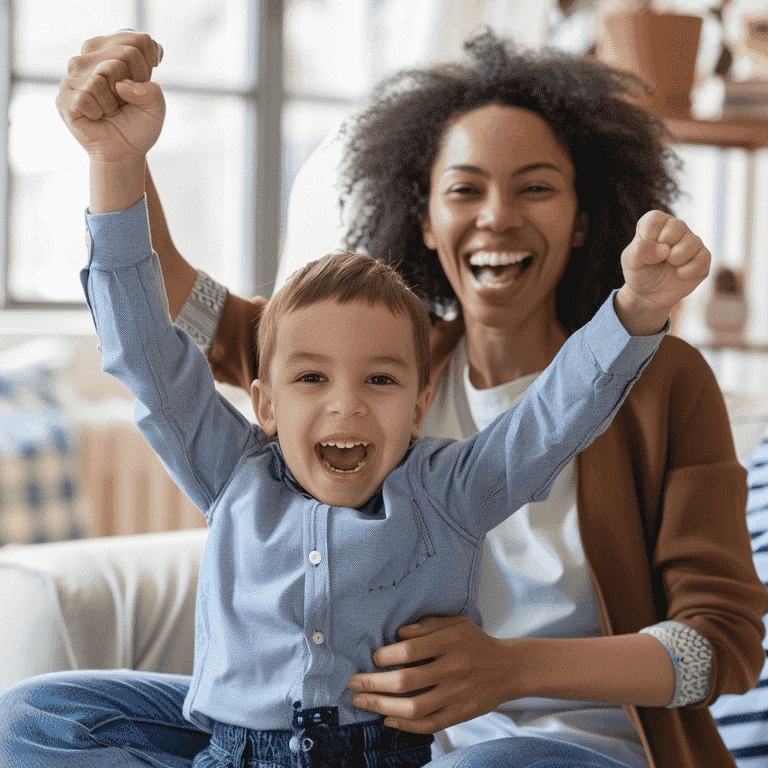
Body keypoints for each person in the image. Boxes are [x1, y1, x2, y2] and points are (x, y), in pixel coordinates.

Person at [2, 27, 765, 768]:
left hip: (562, 744)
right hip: (347, 733)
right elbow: (176, 325)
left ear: (586, 218)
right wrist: (119, 160)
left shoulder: (649, 378)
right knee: (45, 718)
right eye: (464, 189)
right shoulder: (378, 347)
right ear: (425, 220)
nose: (497, 215)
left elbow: (722, 646)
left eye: (535, 188)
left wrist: (511, 667)